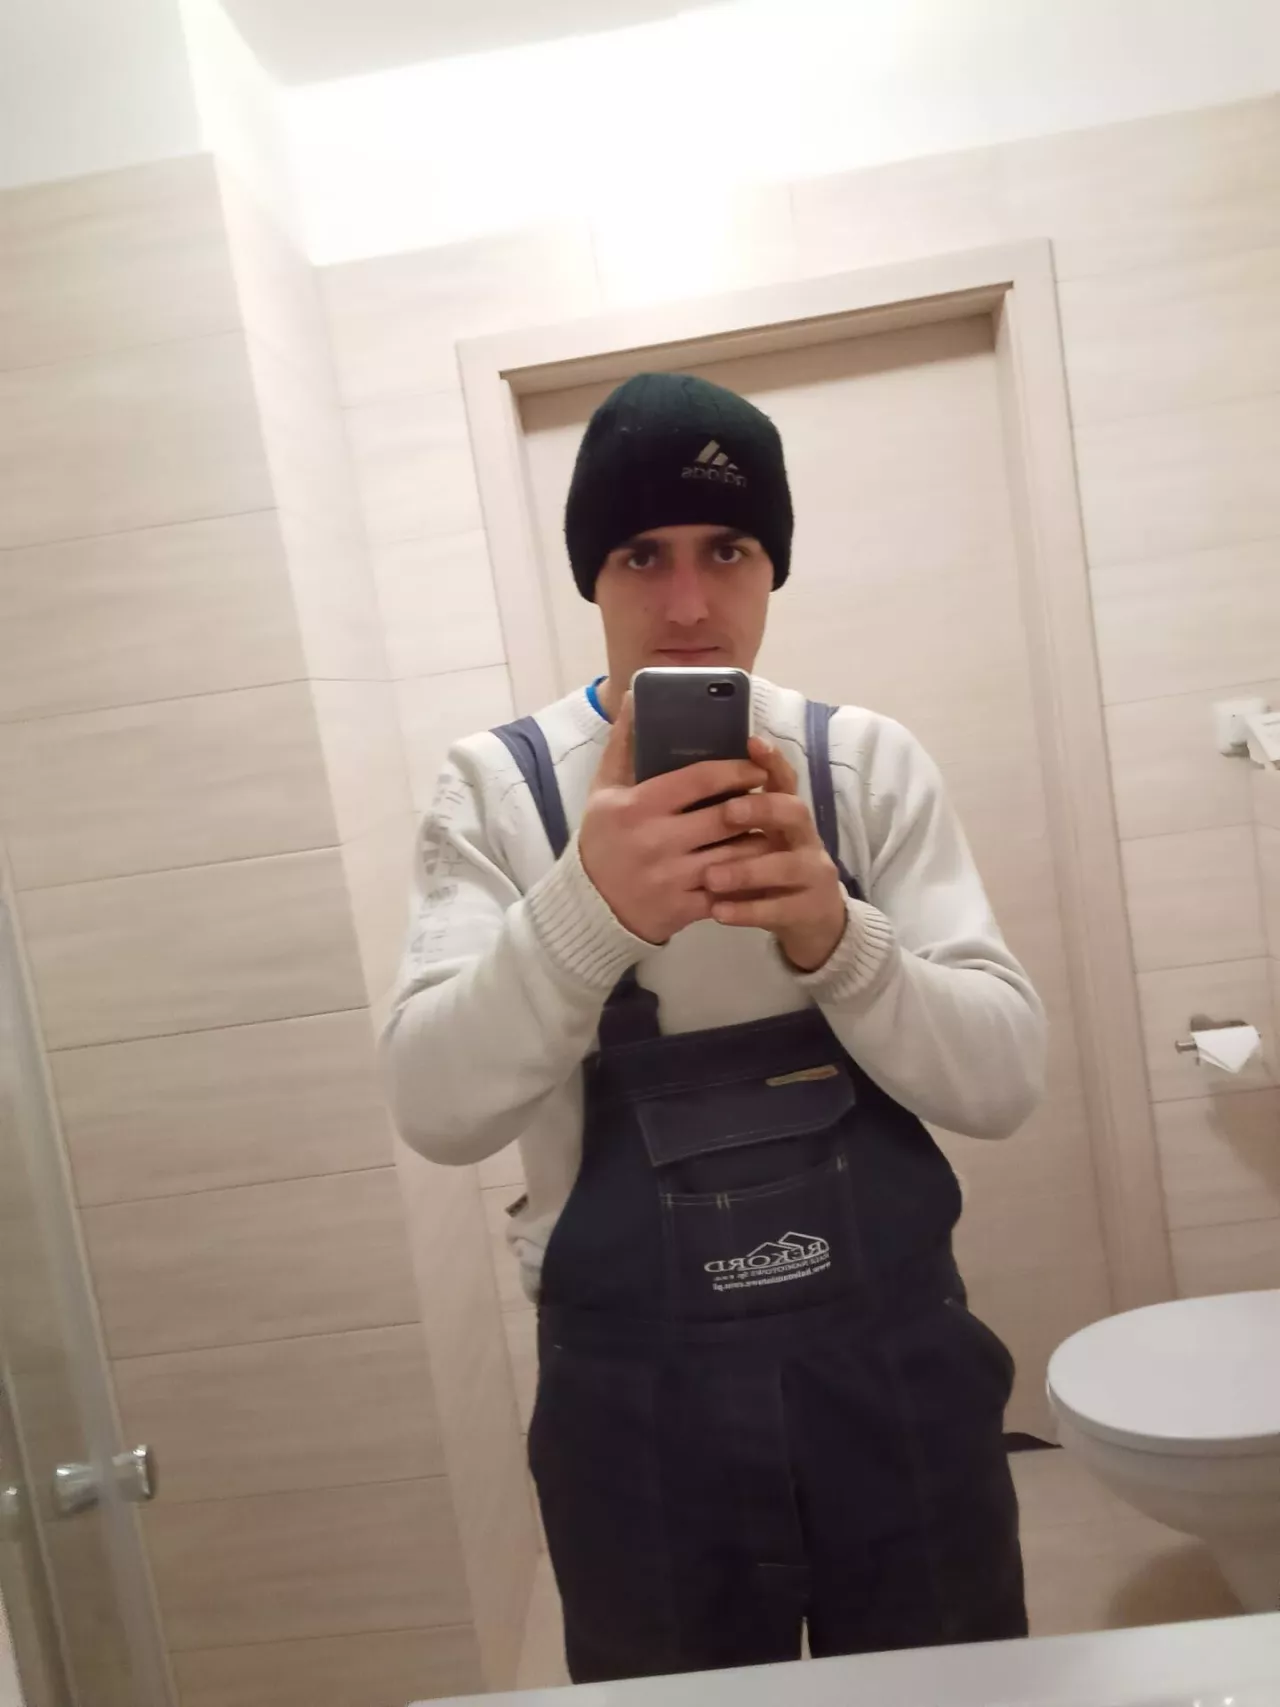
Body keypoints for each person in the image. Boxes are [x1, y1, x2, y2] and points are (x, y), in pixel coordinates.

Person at [382, 372, 1047, 1683]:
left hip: (895, 1379)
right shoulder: (498, 791)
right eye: (643, 555)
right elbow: (434, 1107)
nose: (688, 606)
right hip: (636, 1414)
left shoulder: (863, 766)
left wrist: (837, 936)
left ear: (772, 565)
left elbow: (1004, 1076)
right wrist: (586, 913)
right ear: (592, 574)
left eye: (727, 550)